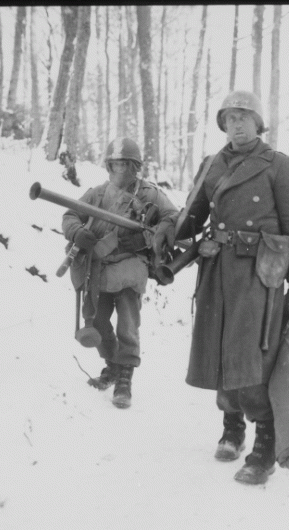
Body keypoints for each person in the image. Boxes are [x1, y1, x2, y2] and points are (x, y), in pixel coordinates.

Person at [176, 90, 289, 485]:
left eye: (244, 117)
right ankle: (232, 428)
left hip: (260, 272)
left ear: (258, 123)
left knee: (252, 354)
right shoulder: (211, 165)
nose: (236, 124)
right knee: (219, 349)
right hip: (217, 268)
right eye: (229, 117)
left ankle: (265, 445)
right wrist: (164, 230)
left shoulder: (278, 166)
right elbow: (191, 216)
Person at [62, 137, 179, 409]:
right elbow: (70, 215)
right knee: (97, 322)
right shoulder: (97, 193)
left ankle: (125, 376)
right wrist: (78, 232)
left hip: (130, 267)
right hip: (98, 268)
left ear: (135, 167)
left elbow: (172, 219)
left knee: (127, 324)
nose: (119, 171)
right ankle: (113, 365)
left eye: (125, 165)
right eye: (114, 165)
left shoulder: (150, 194)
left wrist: (148, 239)